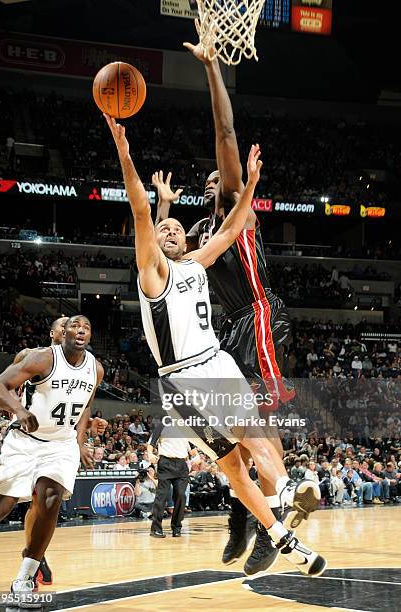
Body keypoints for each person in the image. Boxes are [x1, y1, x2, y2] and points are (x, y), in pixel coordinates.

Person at [105, 113, 326, 577]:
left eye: (175, 229)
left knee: (244, 452)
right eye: (163, 232)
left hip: (214, 364)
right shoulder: (153, 274)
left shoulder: (195, 264)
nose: (168, 232)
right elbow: (142, 215)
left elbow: (228, 230)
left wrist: (251, 184)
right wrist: (125, 155)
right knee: (240, 451)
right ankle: (286, 514)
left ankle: (284, 514)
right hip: (183, 380)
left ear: (187, 239)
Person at [153, 34, 300, 576]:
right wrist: (161, 205)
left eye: (224, 178)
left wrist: (213, 69)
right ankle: (250, 517)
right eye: (212, 180)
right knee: (228, 446)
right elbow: (161, 259)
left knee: (258, 422)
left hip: (258, 317)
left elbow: (225, 131)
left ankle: (279, 505)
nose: (218, 180)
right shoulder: (196, 237)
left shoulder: (236, 206)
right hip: (216, 345)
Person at [0, 315, 104, 604]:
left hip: (61, 444)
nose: (79, 330)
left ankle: (25, 578)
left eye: (86, 327)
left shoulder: (97, 369)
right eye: (73, 326)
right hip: (26, 440)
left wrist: (80, 443)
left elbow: (86, 406)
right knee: (1, 507)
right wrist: (18, 410)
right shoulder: (40, 358)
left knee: (51, 498)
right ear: (60, 333)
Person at [148, 420, 190, 538]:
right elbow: (151, 443)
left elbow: (189, 448)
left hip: (181, 464)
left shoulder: (186, 426)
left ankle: (177, 527)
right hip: (166, 462)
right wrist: (150, 454)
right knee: (162, 496)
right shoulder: (162, 425)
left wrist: (196, 457)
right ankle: (155, 529)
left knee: (181, 495)